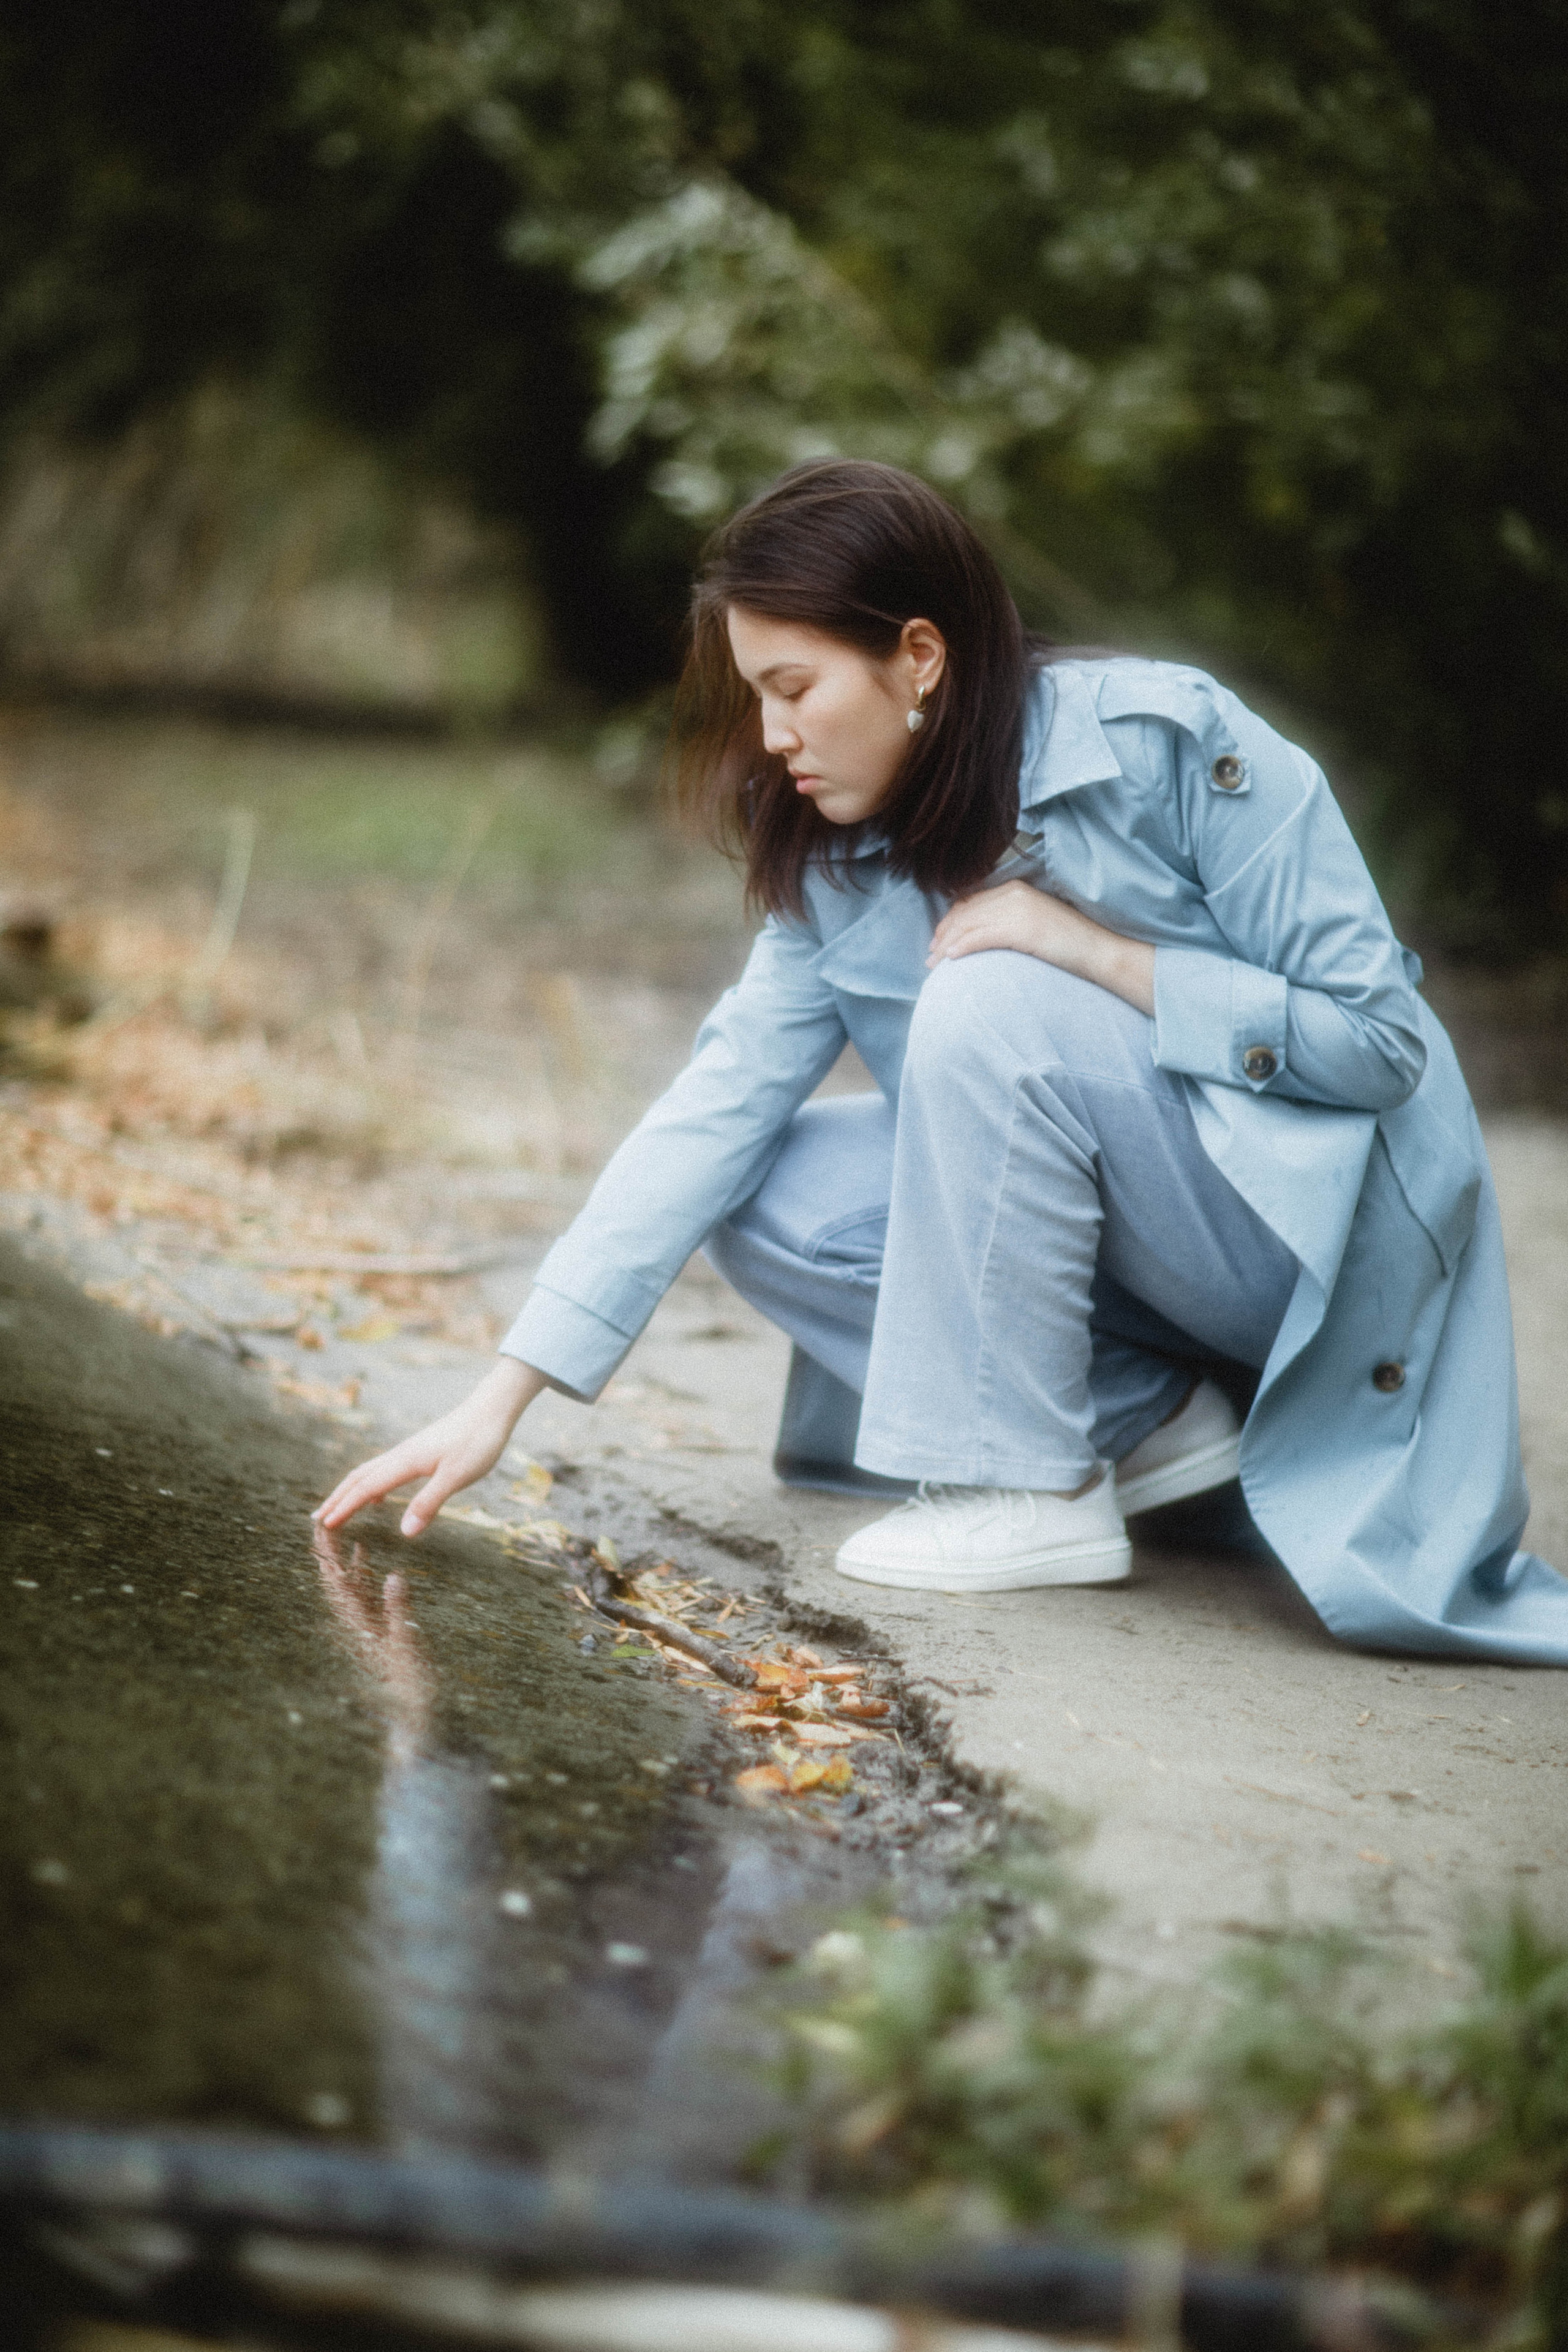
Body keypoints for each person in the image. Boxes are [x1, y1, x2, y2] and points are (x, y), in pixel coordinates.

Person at [317, 459, 1568, 1664]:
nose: (770, 734)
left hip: (1306, 1253)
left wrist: (1085, 950)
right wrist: (499, 1398)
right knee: (757, 1181)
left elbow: (1382, 1046)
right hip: (1146, 1274)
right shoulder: (829, 854)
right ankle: (1142, 1422)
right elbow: (711, 1109)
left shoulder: (1174, 746)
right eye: (755, 693)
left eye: (795, 688)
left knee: (986, 993)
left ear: (917, 656)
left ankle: (1028, 1493)